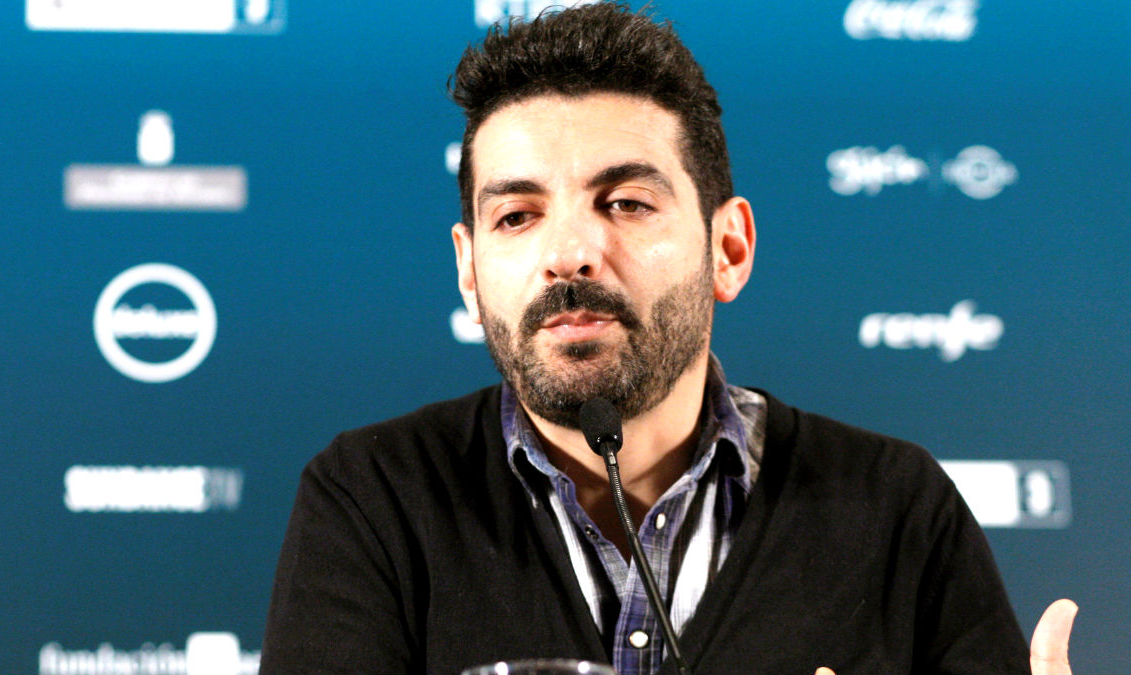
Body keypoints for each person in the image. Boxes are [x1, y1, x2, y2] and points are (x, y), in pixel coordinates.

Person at [260, 4, 1076, 673]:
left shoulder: (896, 503)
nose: (569, 252)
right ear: (469, 270)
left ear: (729, 248)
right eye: (517, 215)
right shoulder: (370, 499)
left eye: (625, 203)